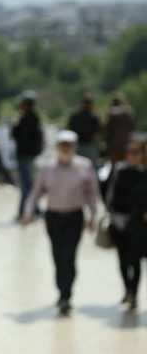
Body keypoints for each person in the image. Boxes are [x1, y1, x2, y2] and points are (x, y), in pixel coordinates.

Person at [21, 130, 100, 316]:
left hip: (75, 217)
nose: (65, 148)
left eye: (68, 145)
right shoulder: (47, 168)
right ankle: (61, 291)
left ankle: (66, 295)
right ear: (57, 147)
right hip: (53, 218)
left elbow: (92, 193)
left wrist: (93, 216)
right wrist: (28, 212)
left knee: (69, 256)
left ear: (74, 147)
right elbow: (36, 191)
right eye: (62, 145)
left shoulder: (84, 166)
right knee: (57, 256)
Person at [108, 138, 147, 311]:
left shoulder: (144, 174)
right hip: (119, 221)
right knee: (122, 259)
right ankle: (127, 290)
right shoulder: (119, 172)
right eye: (130, 152)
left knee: (135, 261)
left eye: (136, 152)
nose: (132, 156)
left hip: (138, 225)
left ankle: (134, 294)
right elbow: (108, 192)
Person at [11, 91, 44, 219]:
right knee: (28, 184)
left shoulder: (28, 119)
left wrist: (14, 129)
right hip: (28, 155)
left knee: (26, 185)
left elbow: (21, 137)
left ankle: (27, 211)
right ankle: (33, 210)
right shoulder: (31, 118)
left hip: (25, 155)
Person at [67, 94, 101, 172]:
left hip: (90, 144)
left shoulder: (94, 116)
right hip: (78, 143)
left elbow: (99, 130)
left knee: (91, 167)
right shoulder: (76, 115)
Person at [103, 94, 137, 165]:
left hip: (113, 144)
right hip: (126, 142)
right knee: (127, 164)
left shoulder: (110, 112)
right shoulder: (128, 112)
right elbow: (132, 126)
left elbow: (106, 129)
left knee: (114, 164)